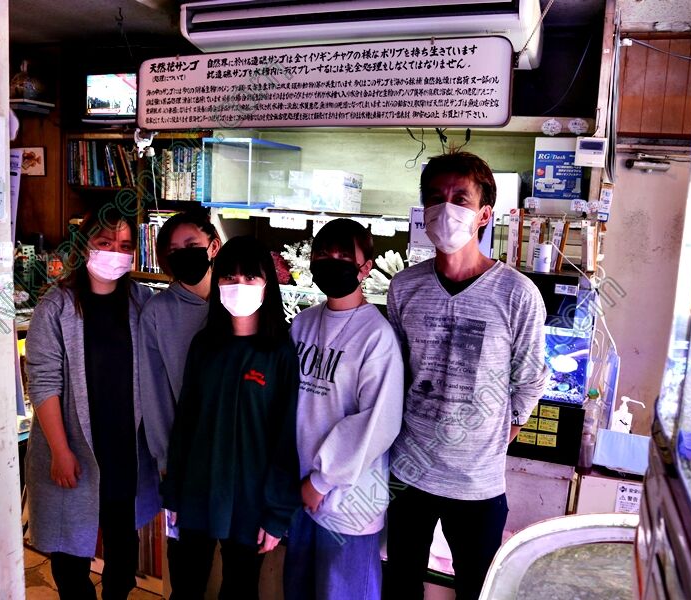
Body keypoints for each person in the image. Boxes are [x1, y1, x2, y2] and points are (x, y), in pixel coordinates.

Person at [384, 151, 548, 600]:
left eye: (460, 198)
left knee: (477, 588)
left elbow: (531, 379)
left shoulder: (518, 294)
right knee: (400, 584)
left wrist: (498, 432)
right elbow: (396, 371)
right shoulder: (404, 287)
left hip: (478, 484)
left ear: (484, 214)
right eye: (436, 198)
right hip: (409, 470)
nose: (446, 208)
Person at [25, 209, 160, 600]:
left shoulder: (141, 301)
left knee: (123, 547)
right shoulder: (56, 306)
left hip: (125, 450)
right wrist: (60, 450)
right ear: (85, 246)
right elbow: (44, 381)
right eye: (105, 243)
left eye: (125, 246)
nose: (115, 253)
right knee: (69, 556)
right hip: (74, 448)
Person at [161, 235, 300, 600]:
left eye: (250, 277)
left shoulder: (280, 354)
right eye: (229, 277)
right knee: (186, 587)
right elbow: (185, 423)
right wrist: (173, 492)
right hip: (196, 492)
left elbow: (286, 440)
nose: (239, 285)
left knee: (240, 590)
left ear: (267, 284)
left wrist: (276, 514)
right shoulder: (204, 346)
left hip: (250, 501)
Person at [283, 219, 404, 600]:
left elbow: (377, 423)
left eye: (342, 255)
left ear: (365, 268)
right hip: (300, 496)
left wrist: (320, 482)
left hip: (349, 505)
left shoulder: (377, 336)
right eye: (323, 254)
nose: (330, 261)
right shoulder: (302, 324)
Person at [139, 207, 222, 473]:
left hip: (235, 450)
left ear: (213, 246)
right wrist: (165, 457)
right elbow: (154, 391)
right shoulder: (156, 312)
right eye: (174, 250)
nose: (184, 254)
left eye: (192, 245)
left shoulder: (236, 301)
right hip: (186, 454)